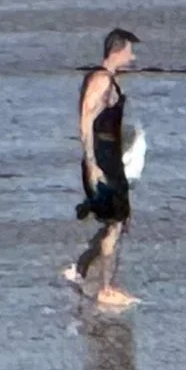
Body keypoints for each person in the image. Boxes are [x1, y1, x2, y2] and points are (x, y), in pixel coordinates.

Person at [67, 27, 142, 310]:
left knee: (120, 220)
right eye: (129, 50)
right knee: (115, 222)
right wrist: (91, 162)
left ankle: (82, 270)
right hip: (101, 159)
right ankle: (105, 287)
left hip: (110, 156)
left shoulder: (111, 80)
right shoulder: (100, 79)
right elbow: (86, 122)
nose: (132, 56)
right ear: (118, 50)